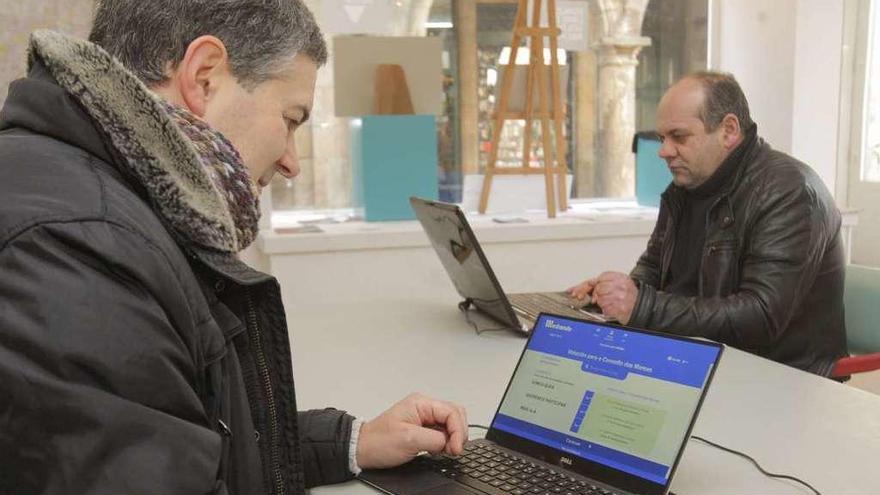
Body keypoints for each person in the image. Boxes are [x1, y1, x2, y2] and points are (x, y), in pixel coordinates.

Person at [0, 1, 467, 494]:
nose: (291, 163)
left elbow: (182, 431)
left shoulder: (96, 203)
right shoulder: (78, 245)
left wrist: (352, 441)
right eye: (290, 119)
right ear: (204, 77)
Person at [569, 71, 847, 376]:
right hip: (703, 360)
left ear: (728, 130)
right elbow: (654, 269)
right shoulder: (685, 187)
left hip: (778, 376)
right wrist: (613, 295)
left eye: (679, 136)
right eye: (662, 138)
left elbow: (761, 317)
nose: (663, 151)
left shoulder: (789, 192)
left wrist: (642, 306)